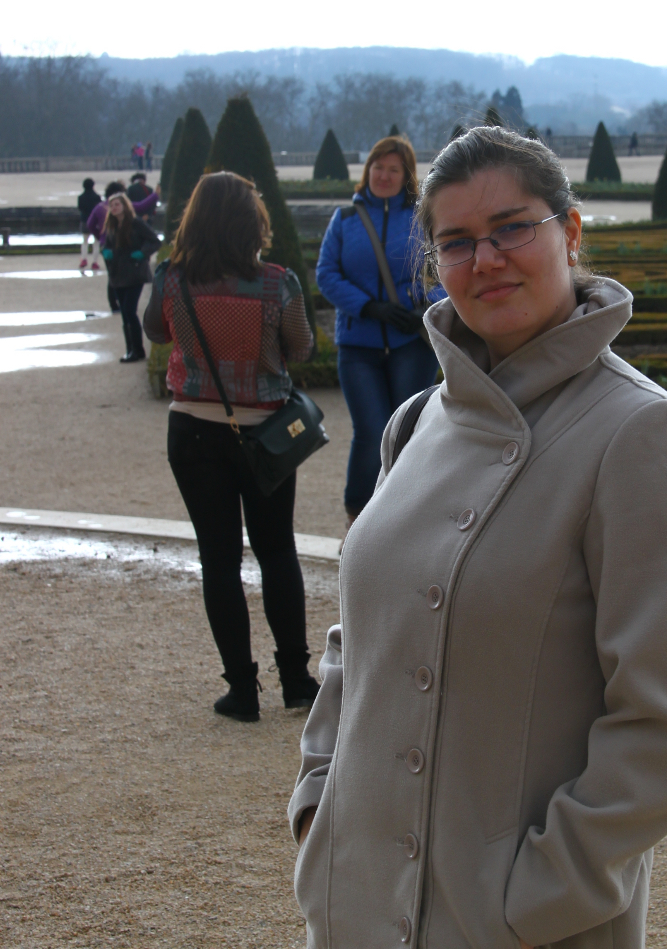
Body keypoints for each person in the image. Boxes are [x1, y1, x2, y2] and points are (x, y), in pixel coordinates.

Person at [288, 126, 667, 949]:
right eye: (454, 241)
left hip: (513, 947)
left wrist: (526, 904)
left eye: (510, 229)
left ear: (570, 232)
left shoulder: (641, 437)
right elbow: (356, 644)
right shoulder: (413, 424)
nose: (483, 260)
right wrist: (318, 809)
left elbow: (664, 730)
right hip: (358, 917)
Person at [143, 171, 320, 721]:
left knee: (218, 559)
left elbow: (154, 332)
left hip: (194, 428)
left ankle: (242, 692)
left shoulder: (173, 277)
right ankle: (295, 680)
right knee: (276, 552)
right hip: (264, 433)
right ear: (253, 221)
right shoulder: (277, 282)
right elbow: (304, 348)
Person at [315, 133, 442, 525]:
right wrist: (370, 307)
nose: (383, 175)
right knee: (370, 432)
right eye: (378, 167)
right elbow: (326, 275)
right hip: (359, 343)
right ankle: (357, 520)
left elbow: (446, 269)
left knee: (407, 433)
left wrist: (420, 306)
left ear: (406, 176)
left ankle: (403, 520)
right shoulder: (346, 219)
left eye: (393, 169)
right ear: (367, 169)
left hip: (410, 341)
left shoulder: (423, 217)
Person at [100, 193, 160, 361]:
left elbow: (155, 241)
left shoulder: (136, 223)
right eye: (112, 206)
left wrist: (142, 253)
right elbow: (107, 245)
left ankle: (137, 350)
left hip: (134, 273)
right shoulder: (111, 226)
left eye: (117, 204)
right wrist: (106, 252)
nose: (114, 208)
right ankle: (131, 350)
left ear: (125, 206)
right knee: (125, 314)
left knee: (129, 310)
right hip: (118, 274)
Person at [77, 178, 101, 271]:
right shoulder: (97, 197)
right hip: (95, 221)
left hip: (84, 220)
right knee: (96, 243)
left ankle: (84, 259)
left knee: (85, 241)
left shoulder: (81, 197)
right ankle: (95, 262)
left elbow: (80, 208)